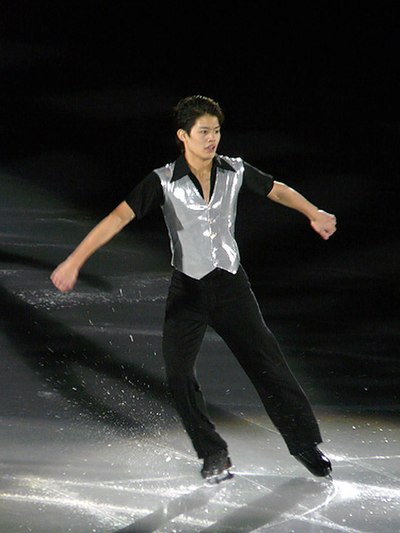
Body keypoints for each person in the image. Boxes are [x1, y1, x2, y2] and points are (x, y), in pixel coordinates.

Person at [51, 95, 336, 483]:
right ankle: (213, 452)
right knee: (179, 375)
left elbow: (277, 189)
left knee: (269, 365)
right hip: (188, 290)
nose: (212, 138)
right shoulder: (163, 180)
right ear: (183, 136)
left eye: (216, 130)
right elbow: (118, 216)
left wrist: (313, 212)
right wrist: (74, 260)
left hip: (232, 285)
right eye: (204, 131)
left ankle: (305, 445)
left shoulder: (234, 170)